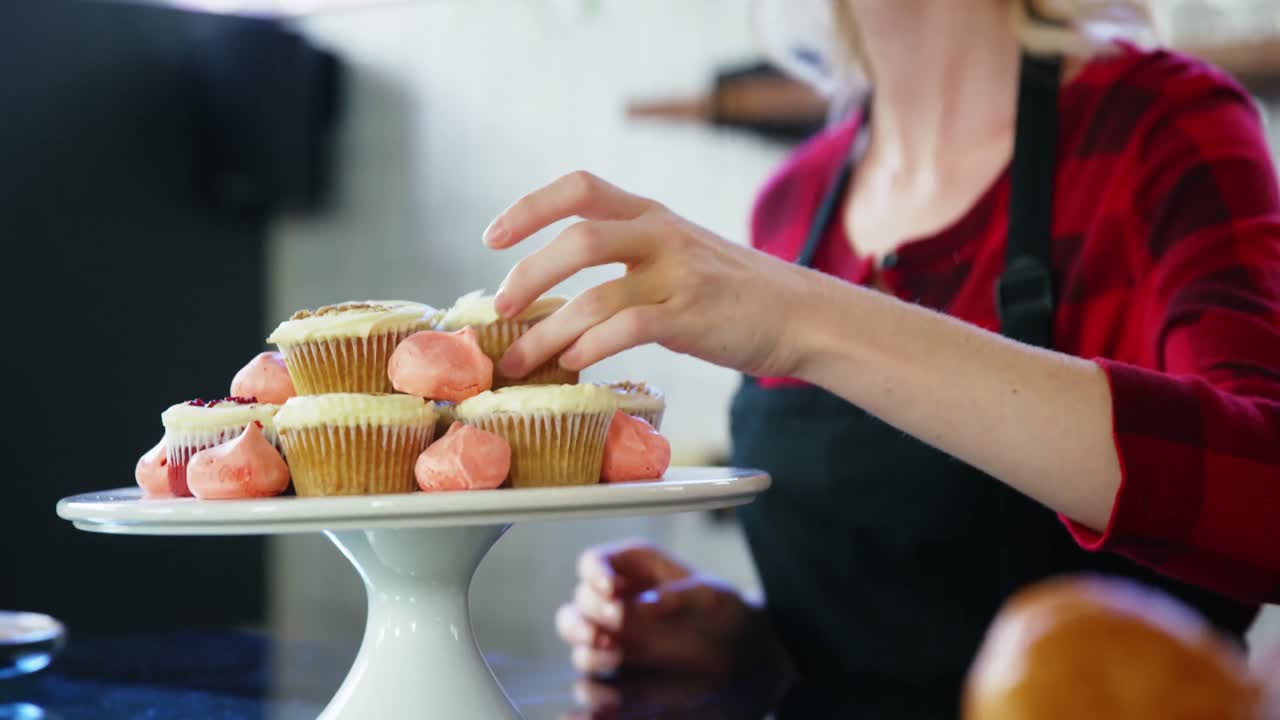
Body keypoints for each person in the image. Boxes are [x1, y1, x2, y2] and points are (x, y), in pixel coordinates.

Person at [482, 1, 1280, 717]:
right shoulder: (796, 202)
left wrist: (804, 316)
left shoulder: (1159, 126)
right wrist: (755, 647)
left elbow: (1265, 497)